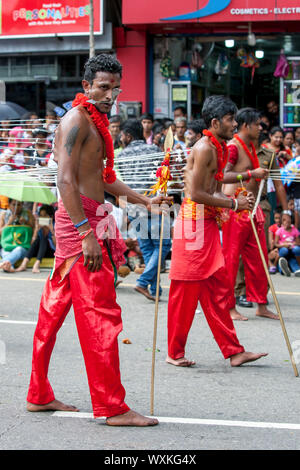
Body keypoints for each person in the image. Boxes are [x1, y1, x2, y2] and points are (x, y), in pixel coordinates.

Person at [26, 54, 173, 427]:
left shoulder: (96, 121)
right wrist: (86, 233)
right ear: (87, 87)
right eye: (103, 87)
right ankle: (112, 407)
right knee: (100, 315)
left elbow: (104, 179)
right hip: (82, 224)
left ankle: (38, 394)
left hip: (93, 217)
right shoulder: (76, 120)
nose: (110, 95)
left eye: (115, 88)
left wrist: (145, 200)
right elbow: (65, 181)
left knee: (53, 309)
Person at [167, 95, 267, 368]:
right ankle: (174, 352)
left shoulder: (218, 145)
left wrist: (249, 176)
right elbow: (196, 192)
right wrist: (234, 203)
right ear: (214, 122)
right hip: (194, 225)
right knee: (185, 291)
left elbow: (220, 178)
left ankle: (233, 350)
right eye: (230, 120)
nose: (234, 124)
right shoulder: (204, 148)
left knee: (216, 288)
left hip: (207, 223)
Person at [222, 107, 278, 321]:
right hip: (236, 209)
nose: (260, 128)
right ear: (246, 125)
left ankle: (260, 303)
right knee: (231, 259)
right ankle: (229, 306)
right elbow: (223, 175)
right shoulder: (234, 147)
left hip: (252, 210)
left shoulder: (251, 147)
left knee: (259, 257)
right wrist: (250, 173)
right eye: (257, 124)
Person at [117, 119, 171, 301]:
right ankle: (144, 282)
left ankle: (155, 289)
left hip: (135, 206)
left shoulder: (122, 155)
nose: (121, 138)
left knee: (148, 248)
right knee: (162, 245)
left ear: (129, 135)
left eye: (123, 134)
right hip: (153, 203)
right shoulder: (155, 150)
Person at [16, 205, 56, 273]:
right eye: (41, 215)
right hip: (40, 252)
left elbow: (57, 246)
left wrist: (52, 230)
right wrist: (36, 230)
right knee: (38, 238)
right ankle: (24, 264)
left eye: (45, 215)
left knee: (44, 238)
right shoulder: (39, 226)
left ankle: (37, 264)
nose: (42, 218)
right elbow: (32, 244)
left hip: (52, 252)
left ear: (51, 217)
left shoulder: (55, 225)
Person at [0, 199, 35, 272]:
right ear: (9, 204)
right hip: (7, 246)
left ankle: (3, 263)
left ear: (22, 205)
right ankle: (10, 267)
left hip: (22, 246)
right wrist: (9, 223)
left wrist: (26, 222)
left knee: (19, 249)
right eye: (14, 204)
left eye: (19, 204)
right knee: (5, 252)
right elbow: (0, 232)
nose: (16, 207)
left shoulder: (27, 213)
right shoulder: (4, 215)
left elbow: (33, 230)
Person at [275, 210, 300, 276]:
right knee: (284, 251)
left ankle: (296, 270)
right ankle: (283, 270)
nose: (286, 222)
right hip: (283, 251)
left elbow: (298, 243)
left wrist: (294, 243)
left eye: (288, 219)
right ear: (281, 221)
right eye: (284, 220)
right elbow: (276, 244)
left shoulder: (295, 230)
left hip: (292, 251)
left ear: (291, 220)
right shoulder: (279, 231)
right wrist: (283, 245)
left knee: (296, 250)